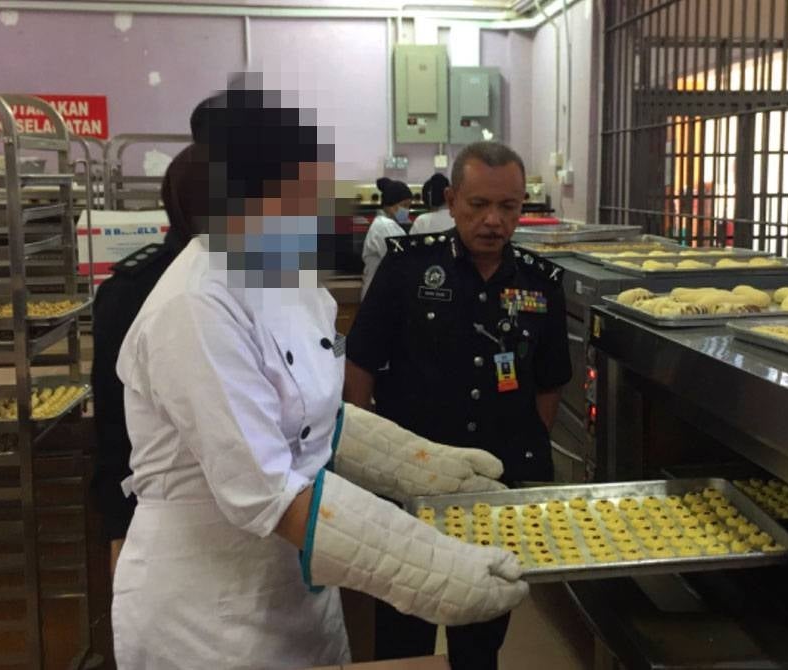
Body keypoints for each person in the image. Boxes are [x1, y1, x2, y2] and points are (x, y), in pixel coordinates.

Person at [111, 83, 528, 669]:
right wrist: (434, 569)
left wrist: (425, 467)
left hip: (297, 590)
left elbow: (318, 419)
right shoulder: (197, 303)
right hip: (210, 613)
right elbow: (267, 492)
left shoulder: (290, 279)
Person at [344, 141, 573, 670]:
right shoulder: (406, 272)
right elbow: (360, 363)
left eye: (509, 207)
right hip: (412, 483)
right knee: (404, 626)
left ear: (522, 206)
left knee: (482, 629)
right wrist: (365, 453)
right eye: (478, 205)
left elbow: (549, 383)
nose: (493, 220)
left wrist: (518, 448)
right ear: (452, 200)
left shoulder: (542, 285)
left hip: (498, 487)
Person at [89, 143, 206, 576]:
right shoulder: (139, 289)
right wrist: (119, 521)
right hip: (165, 512)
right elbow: (115, 417)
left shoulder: (270, 284)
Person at [361, 176, 411, 298]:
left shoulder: (387, 225)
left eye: (408, 206)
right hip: (378, 295)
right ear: (389, 205)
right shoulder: (385, 227)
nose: (407, 210)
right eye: (404, 205)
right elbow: (401, 261)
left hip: (381, 293)